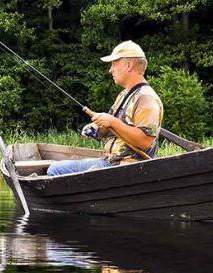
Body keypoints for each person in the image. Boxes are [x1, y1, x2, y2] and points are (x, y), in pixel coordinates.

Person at [47, 41, 163, 176]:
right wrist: (97, 128)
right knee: (57, 168)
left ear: (129, 65)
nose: (110, 69)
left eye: (114, 63)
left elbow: (145, 141)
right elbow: (112, 128)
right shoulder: (124, 94)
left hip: (127, 168)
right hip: (111, 161)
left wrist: (113, 122)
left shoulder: (146, 98)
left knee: (56, 169)